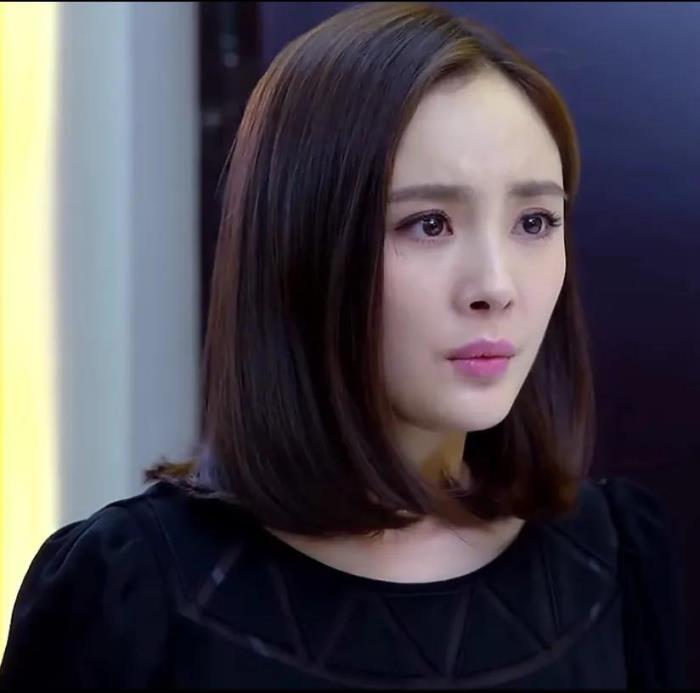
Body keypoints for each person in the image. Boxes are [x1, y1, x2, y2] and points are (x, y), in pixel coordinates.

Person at [0, 2, 689, 689]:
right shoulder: (127, 592)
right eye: (428, 224)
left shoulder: (617, 559)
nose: (495, 285)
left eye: (535, 221)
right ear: (302, 246)